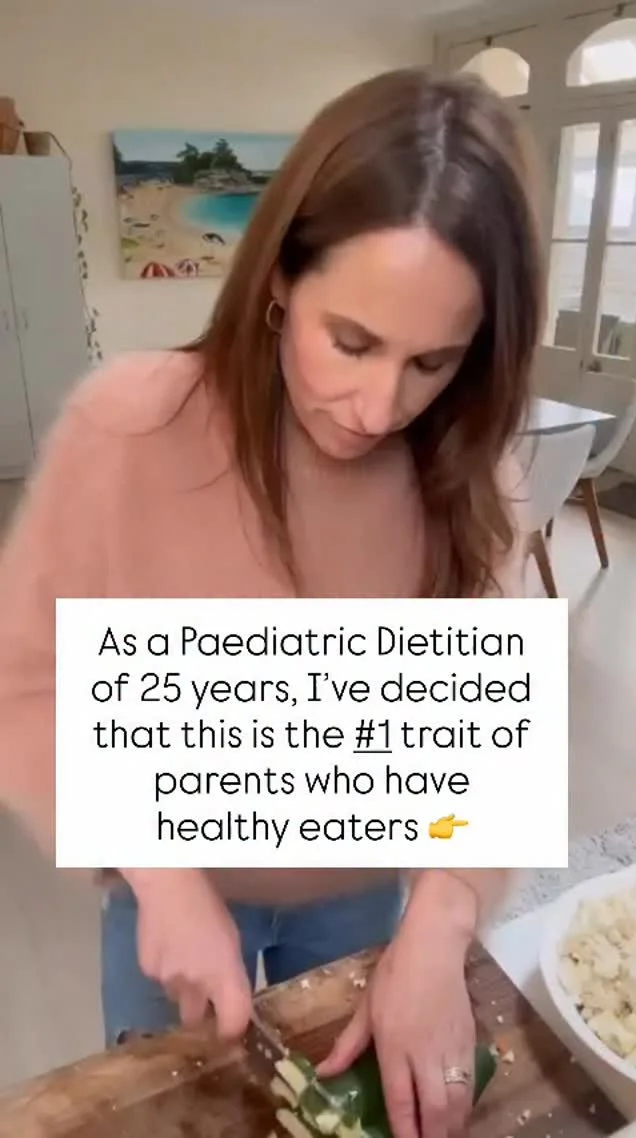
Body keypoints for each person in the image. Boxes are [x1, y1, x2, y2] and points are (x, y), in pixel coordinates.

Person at [0, 68, 542, 1138]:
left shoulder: (473, 473)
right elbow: (31, 680)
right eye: (352, 342)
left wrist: (440, 922)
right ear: (279, 280)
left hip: (358, 876)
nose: (378, 407)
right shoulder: (131, 428)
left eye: (431, 361)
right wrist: (162, 880)